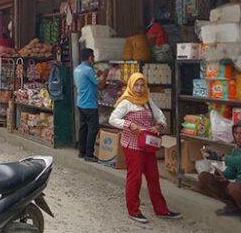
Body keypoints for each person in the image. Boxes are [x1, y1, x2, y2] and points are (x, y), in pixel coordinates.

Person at [109, 73, 181, 223]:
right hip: (133, 146)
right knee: (135, 178)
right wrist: (129, 125)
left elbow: (160, 116)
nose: (139, 88)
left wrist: (159, 126)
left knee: (153, 178)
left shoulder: (147, 100)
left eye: (142, 85)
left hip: (147, 145)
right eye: (136, 85)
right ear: (131, 85)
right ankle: (133, 210)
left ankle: (161, 210)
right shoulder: (126, 102)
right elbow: (113, 119)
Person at [198, 121, 241, 216]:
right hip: (237, 186)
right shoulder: (236, 149)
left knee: (234, 188)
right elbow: (231, 171)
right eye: (236, 133)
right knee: (204, 177)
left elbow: (238, 161)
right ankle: (234, 207)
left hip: (237, 188)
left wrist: (220, 157)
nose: (238, 136)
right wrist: (222, 174)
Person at [73, 48, 107, 162]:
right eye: (93, 56)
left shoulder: (77, 69)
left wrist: (97, 74)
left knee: (83, 128)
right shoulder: (88, 70)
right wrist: (105, 75)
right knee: (92, 129)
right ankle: (89, 154)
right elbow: (101, 86)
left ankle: (81, 152)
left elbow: (87, 81)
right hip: (90, 104)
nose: (94, 58)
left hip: (80, 102)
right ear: (90, 57)